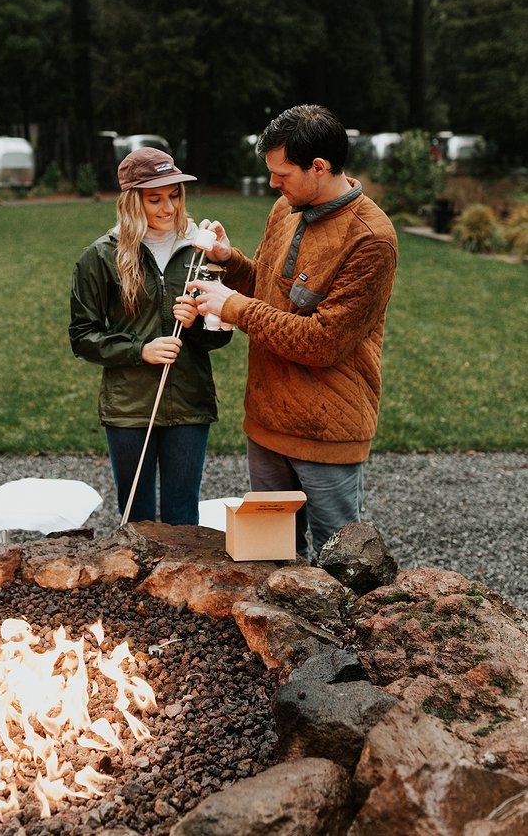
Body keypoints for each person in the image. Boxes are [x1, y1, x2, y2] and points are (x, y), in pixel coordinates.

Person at [190, 104, 398, 559]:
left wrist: (235, 308)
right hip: (265, 422)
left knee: (337, 566)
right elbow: (268, 287)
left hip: (327, 433)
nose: (272, 184)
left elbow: (323, 342)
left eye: (282, 173)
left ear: (319, 167)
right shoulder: (286, 208)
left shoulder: (371, 239)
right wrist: (231, 261)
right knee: (270, 556)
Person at [69, 146, 232, 525]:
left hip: (190, 403)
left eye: (174, 195)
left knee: (182, 516)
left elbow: (218, 337)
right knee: (136, 518)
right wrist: (141, 350)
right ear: (131, 202)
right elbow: (82, 336)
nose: (168, 208)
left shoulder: (199, 250)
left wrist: (194, 323)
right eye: (154, 199)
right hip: (129, 407)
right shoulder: (99, 257)